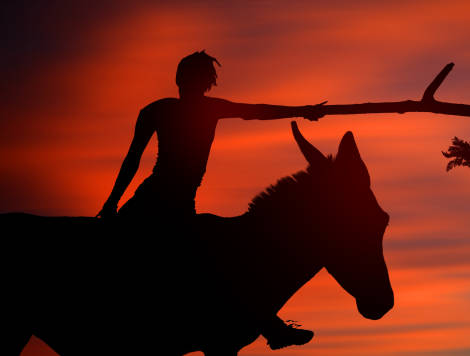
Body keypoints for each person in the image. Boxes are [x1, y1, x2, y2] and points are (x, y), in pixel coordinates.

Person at [97, 51, 324, 349]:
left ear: (204, 82)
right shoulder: (159, 111)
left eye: (200, 78)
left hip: (177, 205)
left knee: (209, 266)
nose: (194, 83)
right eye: (193, 76)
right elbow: (132, 160)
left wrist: (302, 110)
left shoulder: (201, 110)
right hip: (155, 201)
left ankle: (270, 327)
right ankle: (271, 327)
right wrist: (112, 202)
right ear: (182, 79)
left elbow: (257, 110)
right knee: (206, 267)